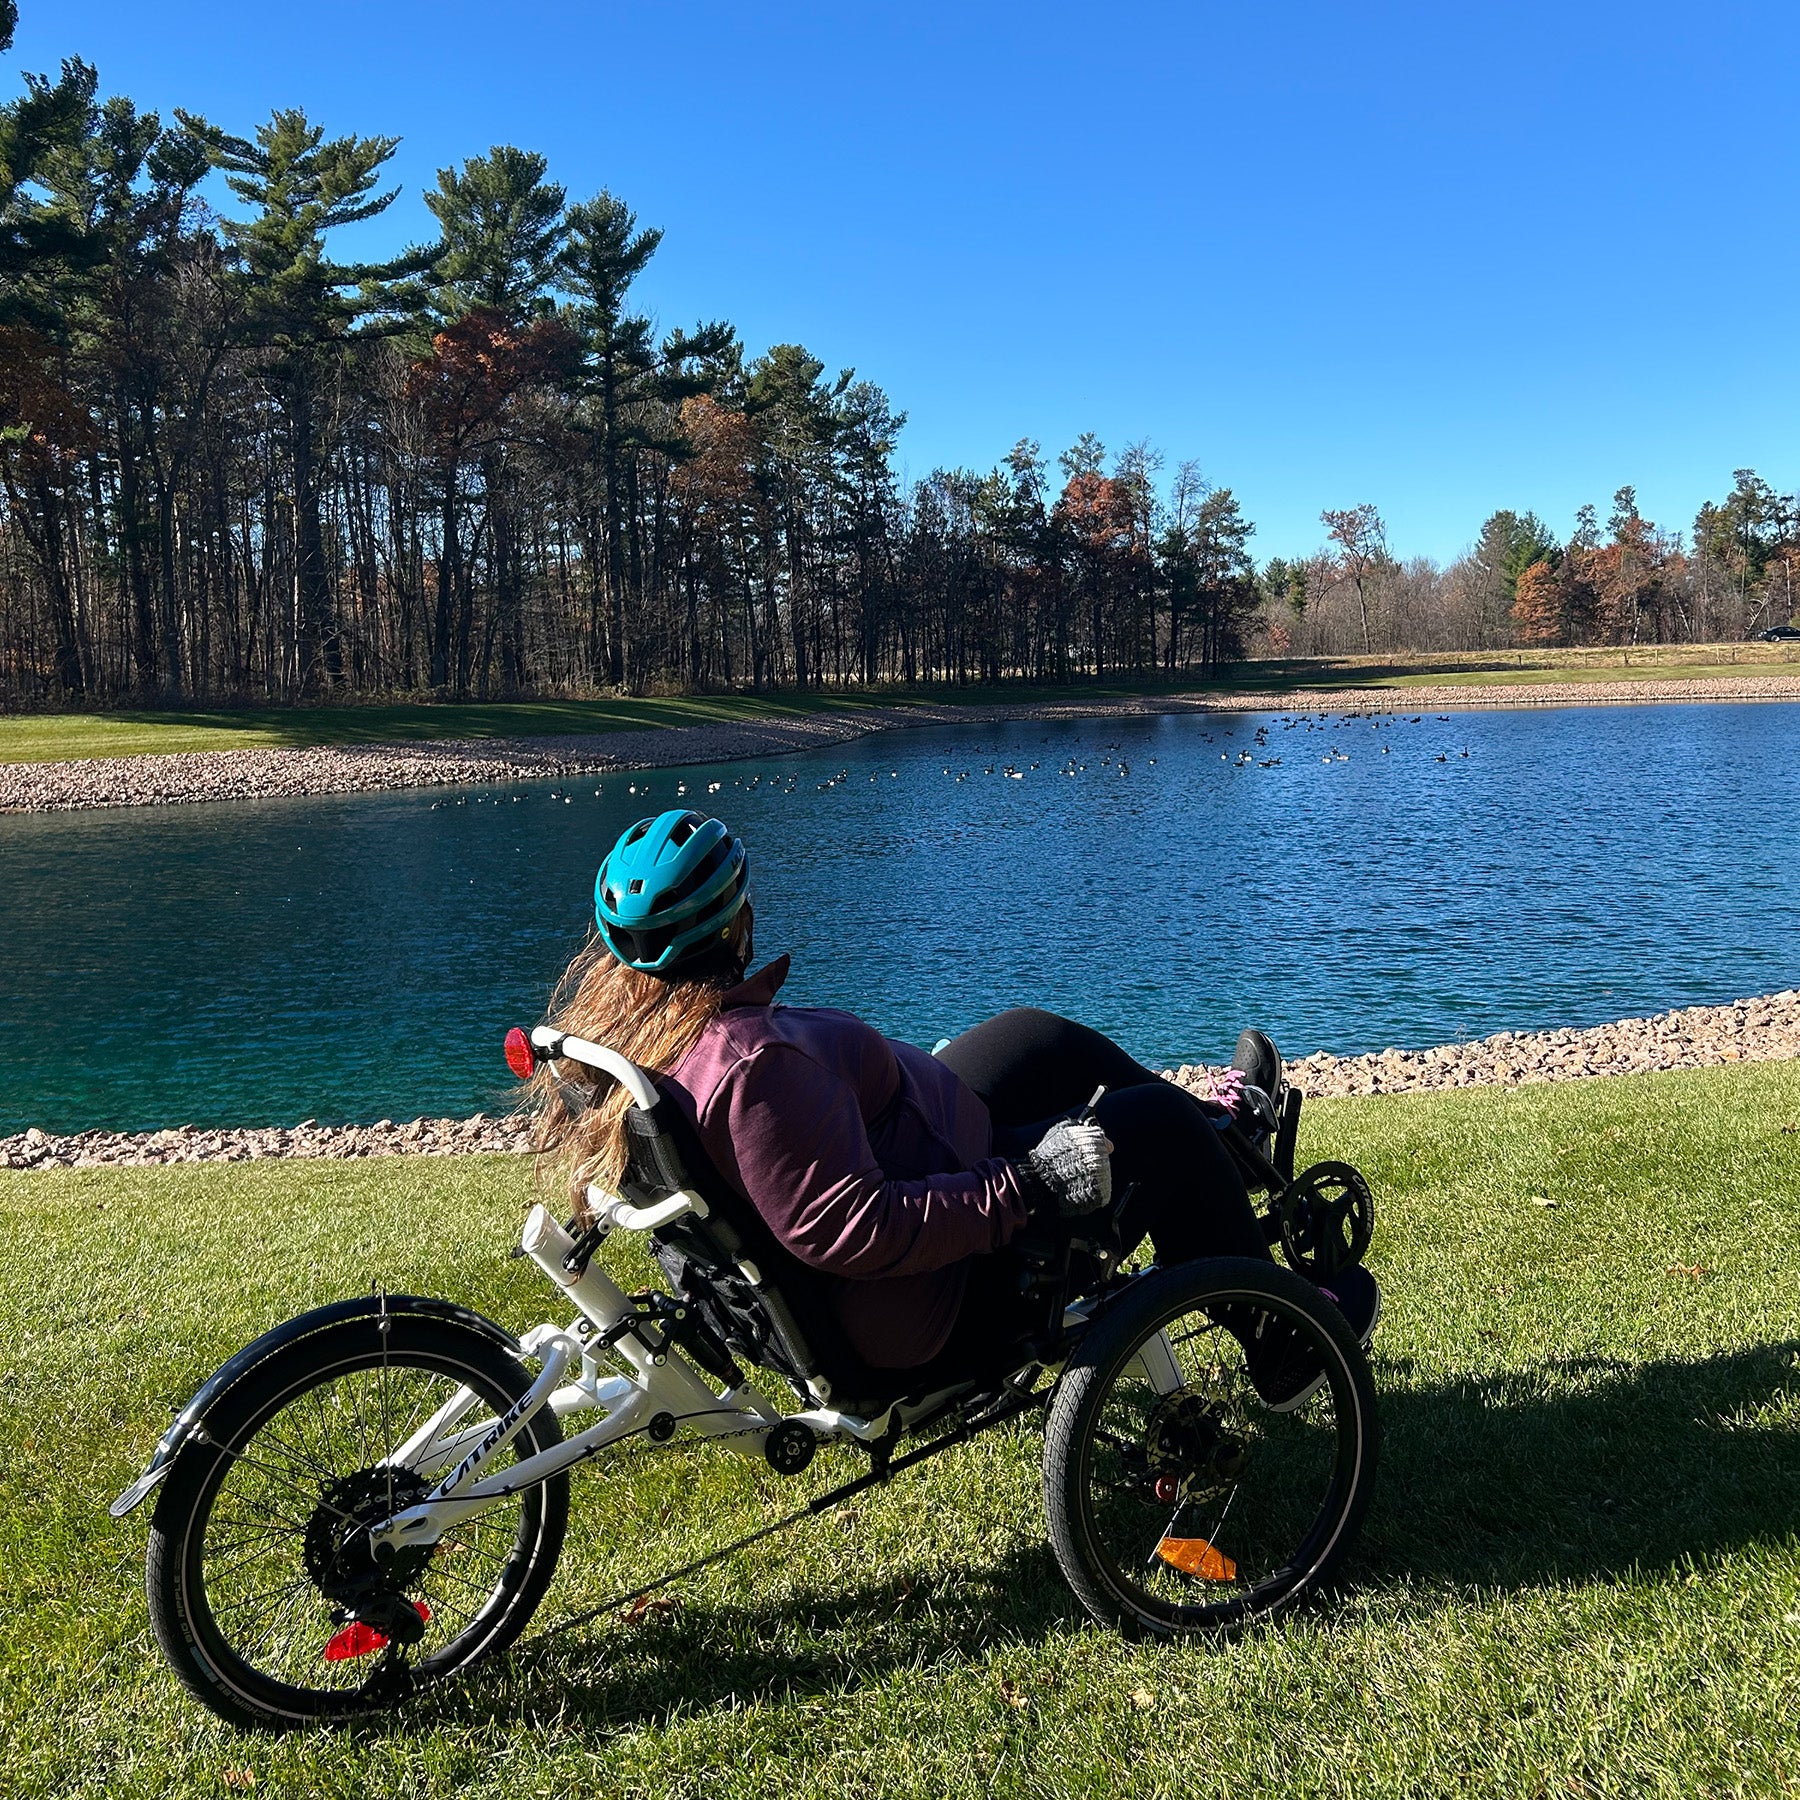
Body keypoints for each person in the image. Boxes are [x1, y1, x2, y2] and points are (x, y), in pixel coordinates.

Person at [533, 809, 1378, 1408]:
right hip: (939, 1288)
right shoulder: (755, 1070)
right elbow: (853, 1229)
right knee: (1155, 1130)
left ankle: (1226, 1136)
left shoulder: (650, 1027)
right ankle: (1281, 1342)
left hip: (923, 1139)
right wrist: (1030, 1185)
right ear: (737, 923)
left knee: (1035, 1037)